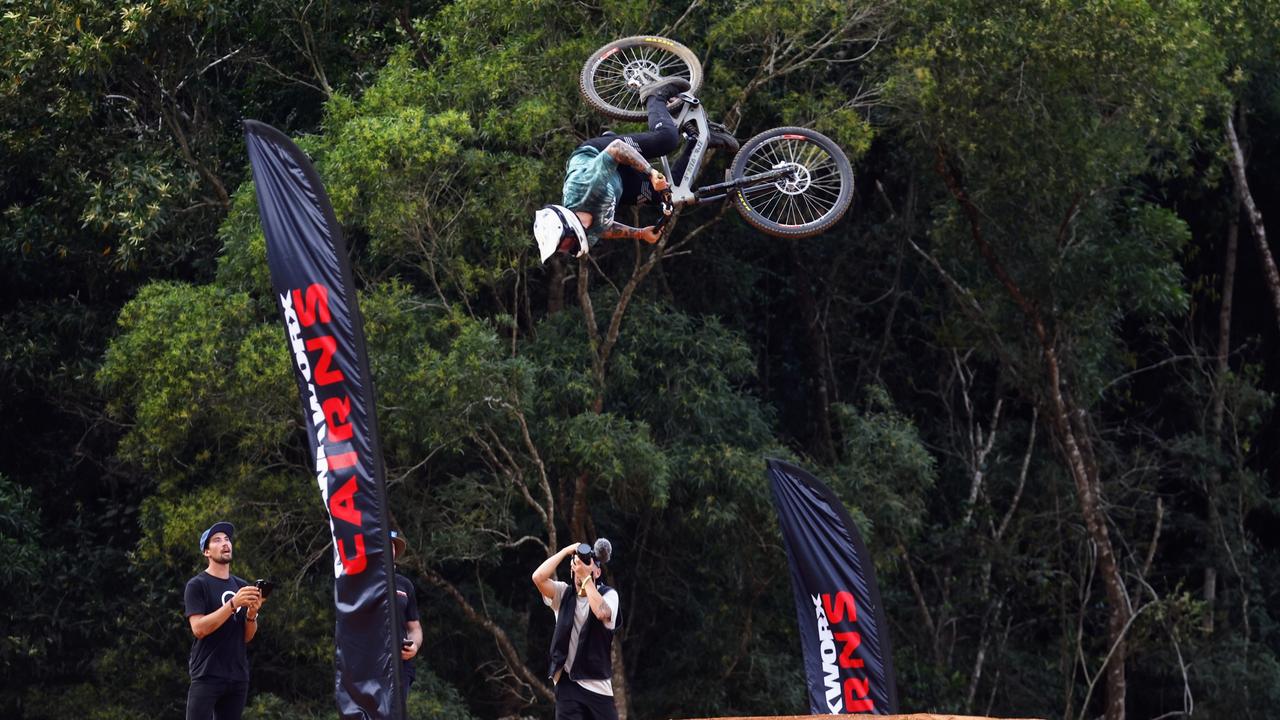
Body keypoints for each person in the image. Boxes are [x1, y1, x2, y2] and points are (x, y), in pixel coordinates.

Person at [533, 77, 738, 262]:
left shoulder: (584, 188)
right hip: (619, 182)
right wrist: (640, 233)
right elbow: (607, 229)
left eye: (564, 244)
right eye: (563, 249)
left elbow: (617, 149)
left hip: (602, 153)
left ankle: (654, 95)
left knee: (666, 140)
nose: (567, 249)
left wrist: (651, 173)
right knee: (669, 194)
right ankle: (701, 139)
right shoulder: (589, 231)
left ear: (565, 227)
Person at [184, 521, 266, 720]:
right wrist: (232, 604)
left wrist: (252, 614)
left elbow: (246, 637)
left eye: (227, 539)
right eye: (217, 540)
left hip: (237, 675)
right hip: (207, 672)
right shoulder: (197, 585)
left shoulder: (241, 585)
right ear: (207, 552)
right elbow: (199, 629)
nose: (225, 543)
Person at [531, 539, 620, 720]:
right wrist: (566, 550)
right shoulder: (563, 594)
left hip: (598, 685)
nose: (582, 568)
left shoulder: (609, 595)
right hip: (568, 684)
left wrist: (587, 578)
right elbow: (538, 578)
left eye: (589, 565)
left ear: (598, 571)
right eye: (578, 564)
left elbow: (601, 612)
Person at [390, 530, 422, 704]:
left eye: (393, 546)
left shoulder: (405, 584)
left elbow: (414, 627)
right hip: (370, 663)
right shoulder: (362, 582)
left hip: (401, 665)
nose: (389, 549)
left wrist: (414, 646)